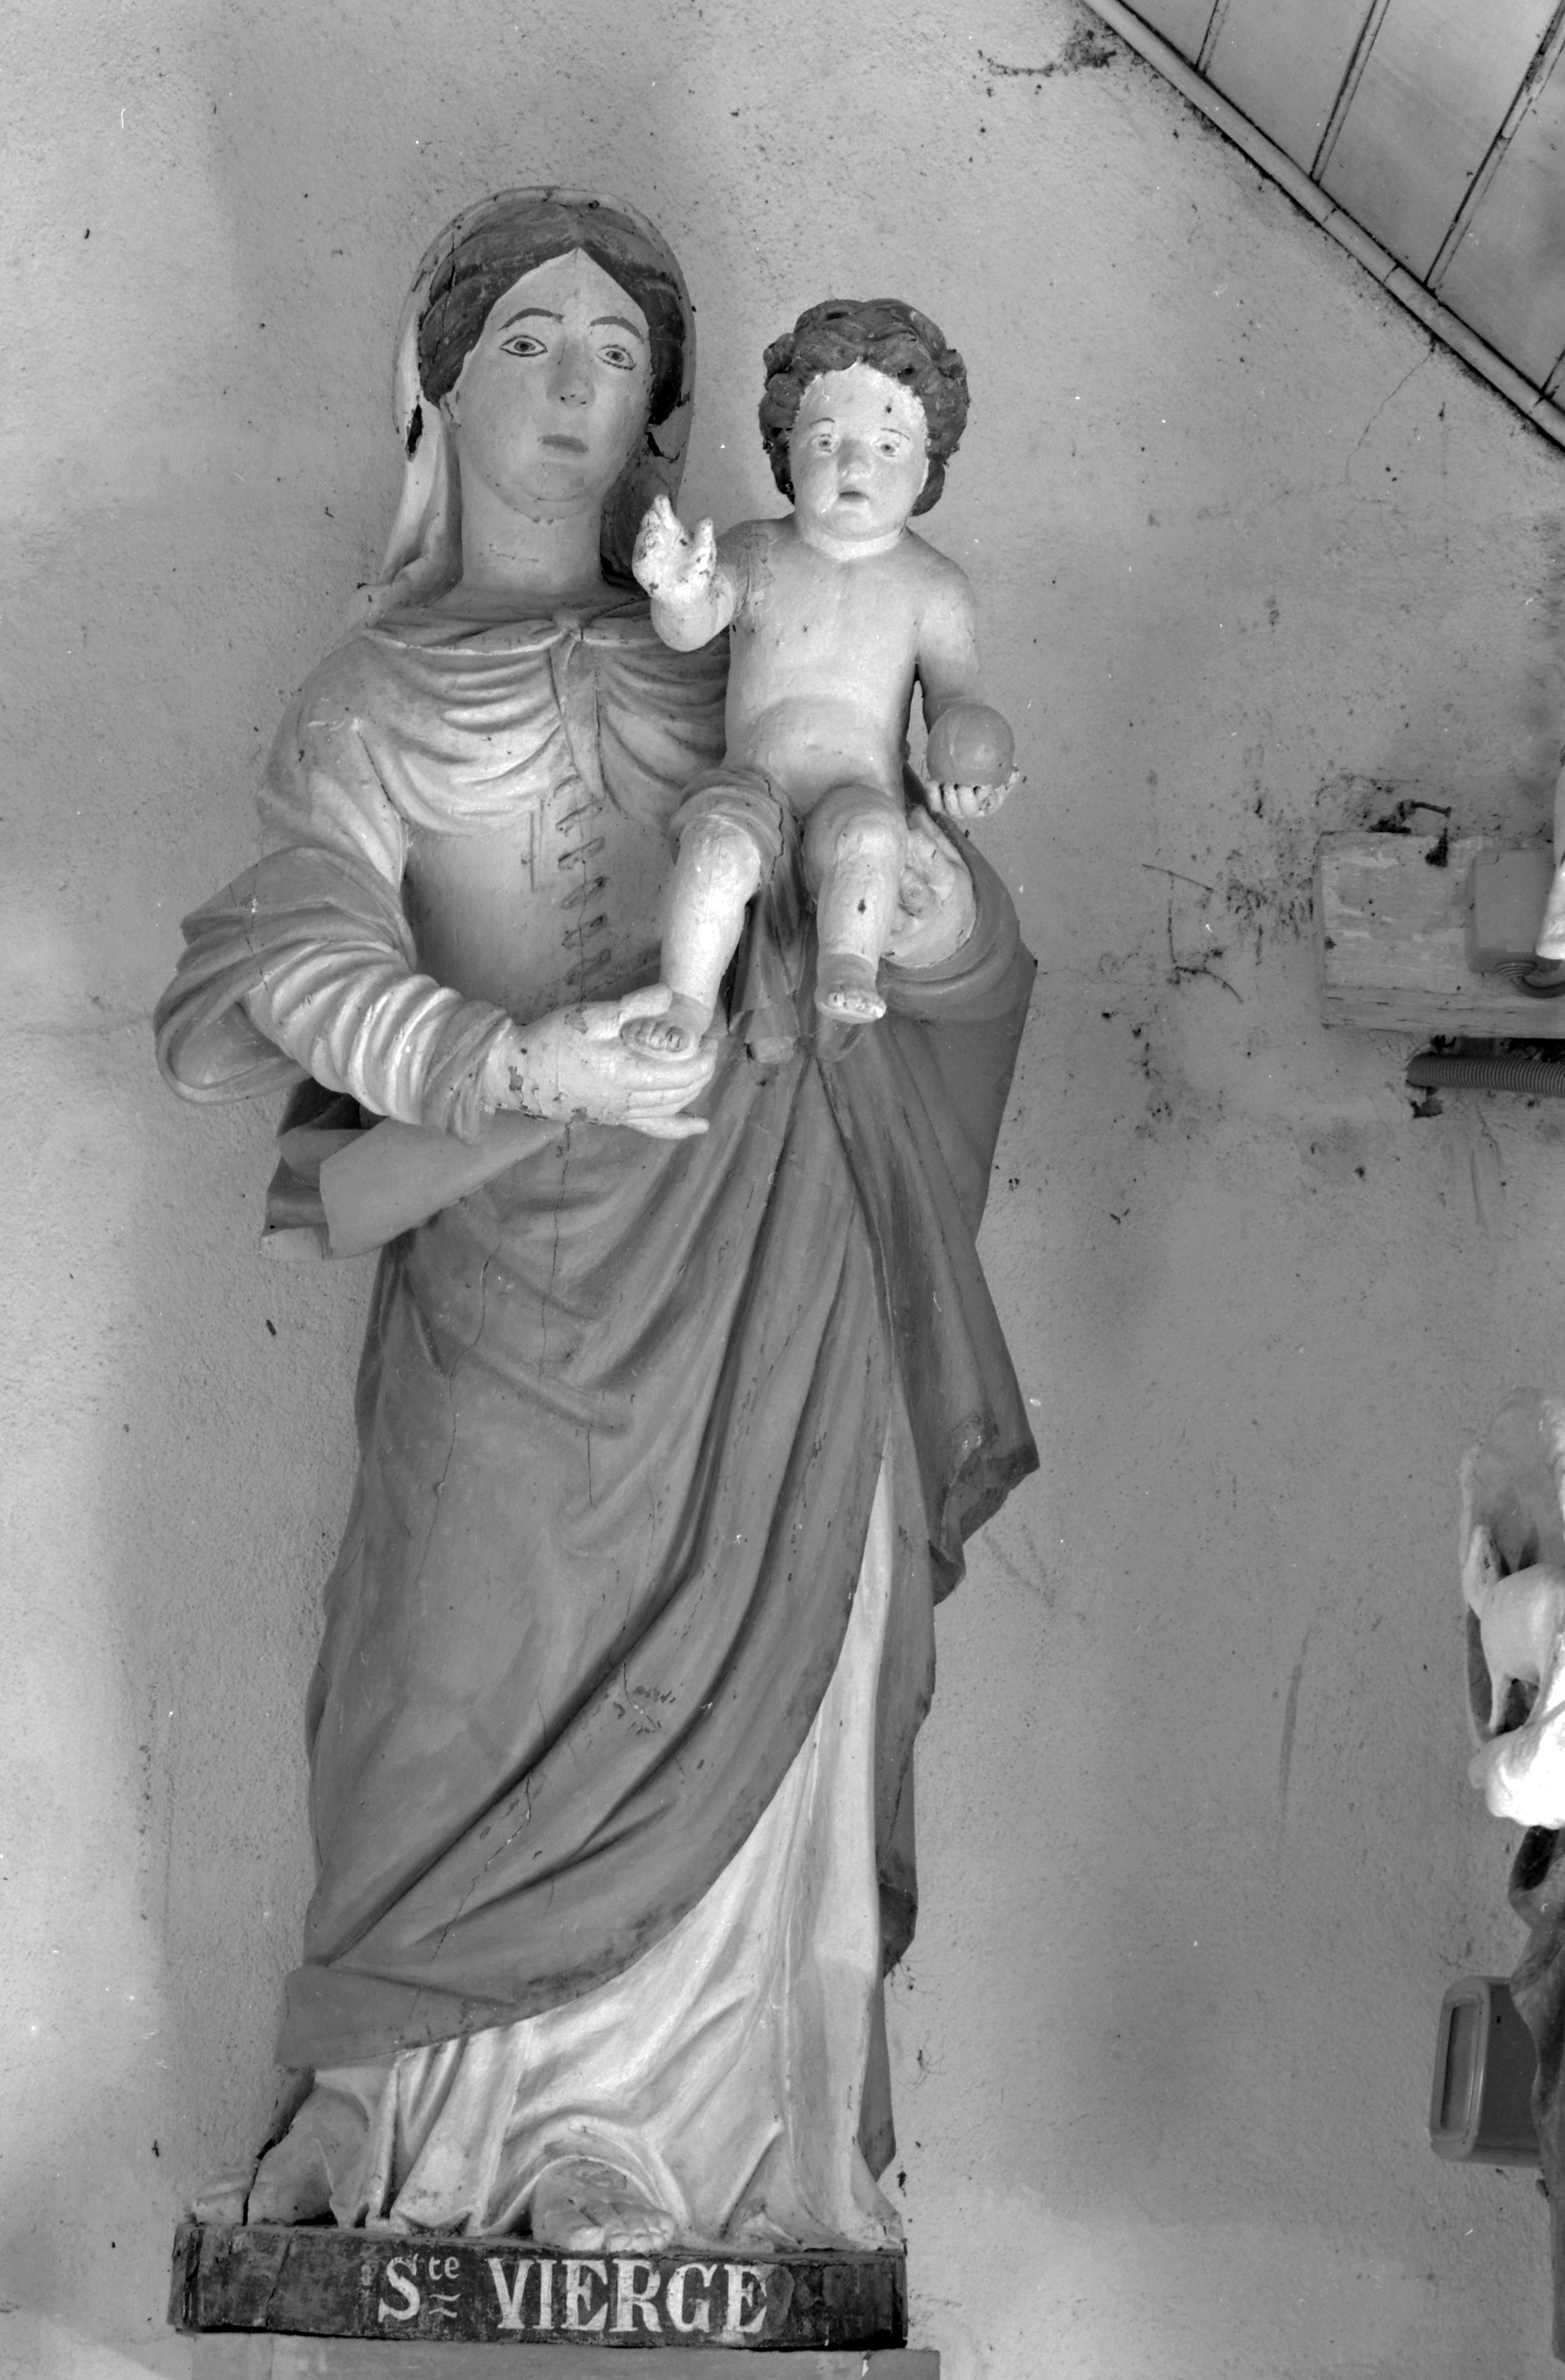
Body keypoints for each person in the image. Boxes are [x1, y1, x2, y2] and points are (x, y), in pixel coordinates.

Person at [154, 190, 1037, 2257]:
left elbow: (935, 928)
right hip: (506, 1265)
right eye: (529, 341)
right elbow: (268, 984)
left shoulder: (736, 639)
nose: (574, 385)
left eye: (620, 355)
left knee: (763, 1662)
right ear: (432, 390)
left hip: (767, 1260)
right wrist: (515, 1062)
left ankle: (663, 2150)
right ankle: (391, 2109)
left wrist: (946, 925)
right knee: (445, 1659)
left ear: (669, 422)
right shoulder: (370, 697)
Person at [627, 298, 1018, 1050]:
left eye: (888, 445)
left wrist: (970, 777)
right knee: (714, 851)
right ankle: (684, 1004)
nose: (854, 466)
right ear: (784, 451)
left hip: (857, 790)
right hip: (752, 786)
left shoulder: (933, 588)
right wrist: (674, 591)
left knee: (870, 839)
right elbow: (692, 626)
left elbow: (956, 705)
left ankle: (848, 965)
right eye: (826, 439)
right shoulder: (755, 550)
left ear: (927, 466)